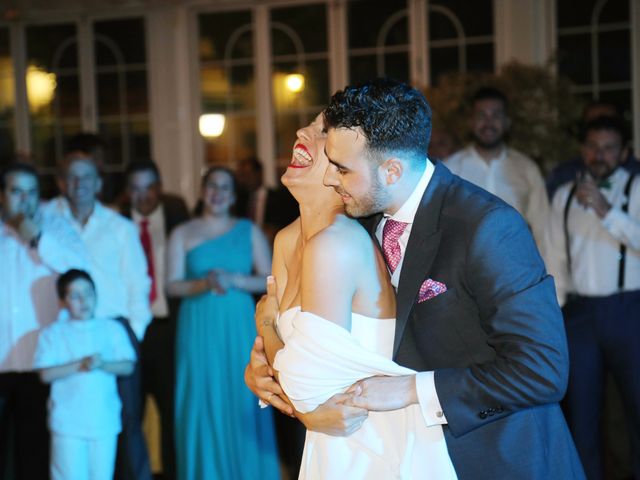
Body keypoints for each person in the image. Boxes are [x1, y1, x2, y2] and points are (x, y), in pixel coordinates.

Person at [246, 78, 585, 478]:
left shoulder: (486, 227)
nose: (331, 179)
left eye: (342, 169)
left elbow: (541, 370)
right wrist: (263, 365)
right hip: (398, 457)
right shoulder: (360, 216)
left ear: (391, 170)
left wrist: (413, 390)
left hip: (495, 458)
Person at [252, 113, 457, 477]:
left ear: (340, 168)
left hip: (375, 442)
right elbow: (282, 366)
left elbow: (300, 380)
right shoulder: (287, 240)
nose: (302, 132)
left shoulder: (336, 244)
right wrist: (266, 366)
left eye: (321, 133)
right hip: (330, 441)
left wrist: (265, 320)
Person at [42, 155, 153, 480]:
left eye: (87, 177)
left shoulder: (119, 227)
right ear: (62, 182)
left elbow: (138, 282)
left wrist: (131, 333)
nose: (79, 184)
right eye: (72, 177)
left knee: (128, 420)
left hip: (115, 330)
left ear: (99, 183)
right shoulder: (49, 220)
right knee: (74, 419)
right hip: (69, 330)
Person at [166, 166, 279, 480]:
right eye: (212, 186)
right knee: (200, 397)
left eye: (225, 188)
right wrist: (202, 284)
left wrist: (235, 279)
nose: (218, 193)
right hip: (198, 326)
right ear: (203, 191)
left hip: (237, 326)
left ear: (232, 195)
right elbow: (171, 285)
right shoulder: (182, 233)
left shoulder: (248, 230)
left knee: (241, 392)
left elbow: (271, 279)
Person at [545, 116, 640, 479]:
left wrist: (607, 210)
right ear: (583, 151)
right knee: (581, 415)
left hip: (630, 310)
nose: (600, 156)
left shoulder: (636, 187)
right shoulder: (564, 196)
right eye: (594, 148)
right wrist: (554, 318)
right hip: (580, 315)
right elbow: (554, 258)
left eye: (609, 148)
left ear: (625, 152)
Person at [0, 163, 87, 480]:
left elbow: (81, 271)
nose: (25, 200)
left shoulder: (57, 228)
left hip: (40, 365)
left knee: (34, 456)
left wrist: (38, 238)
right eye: (16, 191)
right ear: (2, 195)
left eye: (32, 192)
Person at [122, 160, 190, 479]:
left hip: (168, 330)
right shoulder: (116, 224)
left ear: (159, 188)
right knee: (129, 415)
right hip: (128, 334)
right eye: (135, 188)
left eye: (149, 187)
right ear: (127, 193)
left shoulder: (179, 218)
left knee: (171, 413)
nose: (143, 195)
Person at [34, 269, 136, 480]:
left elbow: (128, 365)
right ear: (63, 301)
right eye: (75, 296)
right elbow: (45, 374)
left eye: (88, 293)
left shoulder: (111, 328)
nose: (84, 301)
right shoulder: (54, 333)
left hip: (103, 421)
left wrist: (102, 364)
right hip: (68, 424)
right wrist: (80, 365)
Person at [444, 87, 549, 254]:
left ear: (507, 122)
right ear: (471, 122)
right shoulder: (449, 170)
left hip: (515, 271)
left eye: (496, 115)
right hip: (463, 275)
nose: (488, 123)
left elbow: (543, 231)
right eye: (481, 115)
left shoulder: (527, 169)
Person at [546, 102, 640, 200]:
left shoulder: (636, 175)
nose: (598, 155)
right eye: (593, 123)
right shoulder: (563, 179)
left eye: (607, 122)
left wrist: (605, 209)